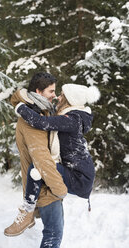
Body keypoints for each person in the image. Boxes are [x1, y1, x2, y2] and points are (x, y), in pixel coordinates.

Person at [14, 83, 101, 221]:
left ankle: (28, 210)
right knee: (40, 172)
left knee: (38, 168)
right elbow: (52, 116)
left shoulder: (72, 119)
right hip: (78, 173)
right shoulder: (71, 115)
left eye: (62, 96)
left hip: (79, 178)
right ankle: (36, 208)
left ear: (69, 100)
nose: (58, 98)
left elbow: (41, 122)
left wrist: (20, 106)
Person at [4, 72, 67, 248]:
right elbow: (41, 157)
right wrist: (59, 188)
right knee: (53, 234)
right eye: (51, 91)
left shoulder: (41, 111)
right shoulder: (31, 118)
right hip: (44, 186)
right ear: (38, 91)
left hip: (44, 180)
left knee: (53, 233)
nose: (54, 95)